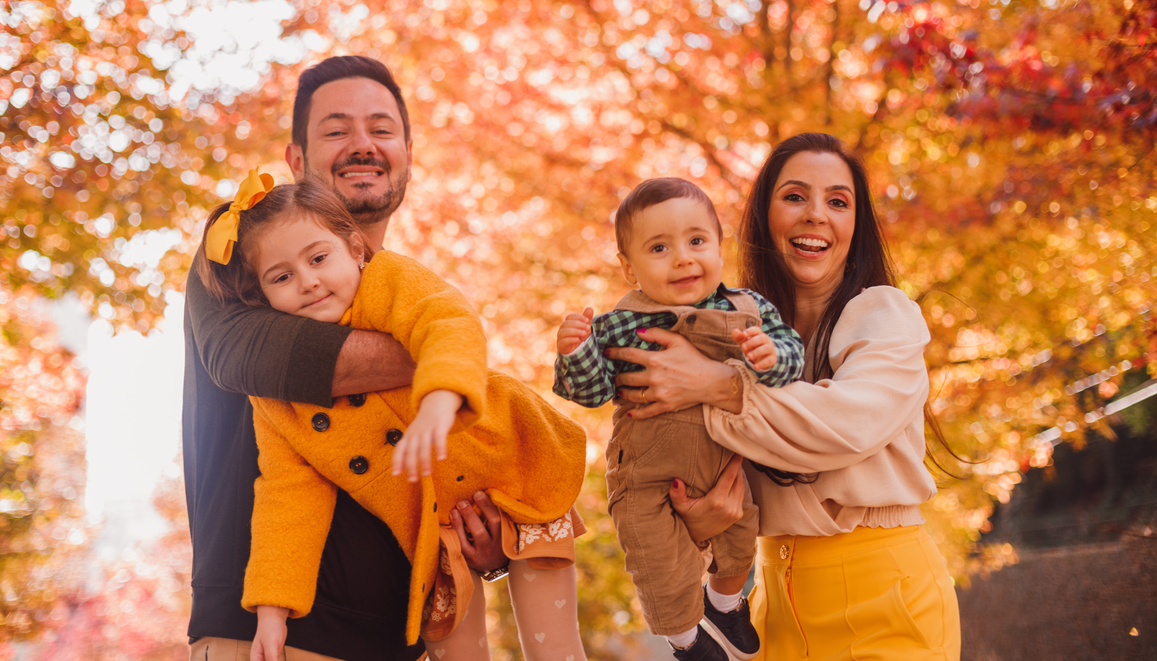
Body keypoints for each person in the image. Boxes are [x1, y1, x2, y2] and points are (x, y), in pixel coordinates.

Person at [181, 57, 510, 661]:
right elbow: (263, 358)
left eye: (381, 129)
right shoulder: (238, 261)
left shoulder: (421, 302)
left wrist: (489, 549)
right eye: (336, 130)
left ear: (407, 152)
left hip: (403, 638)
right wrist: (448, 347)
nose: (363, 145)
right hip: (266, 636)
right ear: (297, 162)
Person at [196, 176, 589, 661]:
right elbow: (287, 495)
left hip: (521, 469)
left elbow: (446, 321)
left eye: (319, 258)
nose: (308, 281)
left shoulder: (389, 281)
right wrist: (272, 611)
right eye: (281, 277)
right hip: (433, 531)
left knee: (555, 650)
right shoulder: (278, 396)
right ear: (261, 296)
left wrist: (442, 401)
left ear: (356, 248)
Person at [607, 134, 961, 660]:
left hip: (885, 595)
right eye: (795, 197)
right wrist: (700, 522)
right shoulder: (733, 330)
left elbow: (845, 428)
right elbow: (685, 459)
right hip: (775, 605)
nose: (816, 215)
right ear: (763, 218)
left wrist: (714, 384)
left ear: (854, 227)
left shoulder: (885, 315)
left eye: (837, 202)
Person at [552, 178, 804, 661]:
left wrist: (771, 356)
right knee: (659, 567)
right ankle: (687, 643)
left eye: (696, 241)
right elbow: (592, 391)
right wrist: (576, 351)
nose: (684, 258)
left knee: (741, 540)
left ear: (718, 245)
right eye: (660, 248)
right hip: (644, 477)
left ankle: (726, 604)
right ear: (630, 269)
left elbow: (794, 357)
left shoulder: (749, 310)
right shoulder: (620, 323)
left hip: (723, 468)